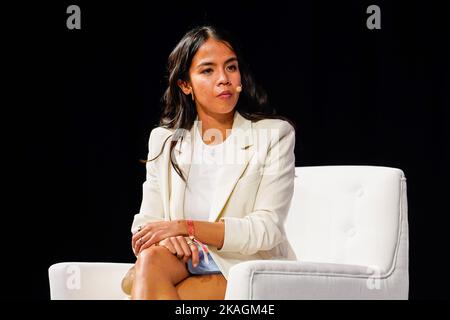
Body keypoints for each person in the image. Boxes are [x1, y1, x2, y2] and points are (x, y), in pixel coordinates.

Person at [124, 25, 297, 300]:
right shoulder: (165, 140)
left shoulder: (274, 135)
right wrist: (167, 238)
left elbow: (267, 229)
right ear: (185, 84)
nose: (224, 79)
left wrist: (186, 227)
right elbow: (147, 224)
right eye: (208, 70)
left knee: (159, 287)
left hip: (243, 266)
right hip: (182, 261)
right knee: (151, 262)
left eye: (231, 67)